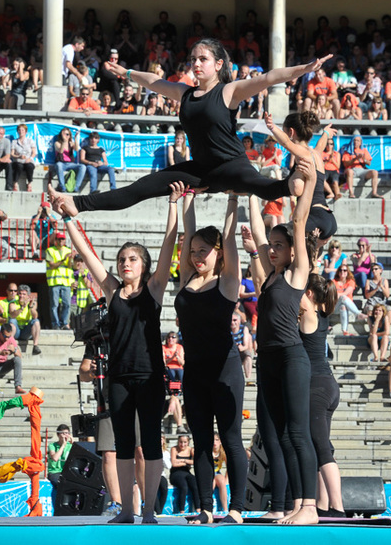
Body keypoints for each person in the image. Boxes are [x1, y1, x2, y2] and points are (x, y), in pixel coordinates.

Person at [48, 39, 325, 217]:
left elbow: (269, 77)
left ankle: (290, 184)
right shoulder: (186, 93)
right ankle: (77, 204)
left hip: (231, 165)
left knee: (259, 185)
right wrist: (126, 73)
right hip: (200, 170)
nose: (196, 63)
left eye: (203, 59)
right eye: (194, 59)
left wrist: (304, 68)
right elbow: (154, 82)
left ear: (218, 64)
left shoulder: (230, 91)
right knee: (140, 188)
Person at [59, 180, 178, 525]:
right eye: (122, 259)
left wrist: (173, 204)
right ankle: (128, 509)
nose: (126, 264)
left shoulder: (153, 290)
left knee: (151, 445)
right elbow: (87, 255)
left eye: (132, 259)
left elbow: (169, 244)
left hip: (150, 376)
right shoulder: (112, 291)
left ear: (143, 265)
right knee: (124, 446)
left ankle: (150, 511)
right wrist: (68, 218)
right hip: (119, 377)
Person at [242, 159, 318, 525]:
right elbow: (257, 234)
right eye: (270, 246)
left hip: (291, 357)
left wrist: (311, 179)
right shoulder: (269, 279)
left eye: (278, 246)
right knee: (283, 436)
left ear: (291, 250)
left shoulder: (295, 274)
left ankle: (310, 507)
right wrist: (252, 194)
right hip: (267, 359)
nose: (271, 250)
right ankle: (292, 503)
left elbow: (299, 223)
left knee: (298, 433)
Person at [173, 190, 247, 524]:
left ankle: (237, 508)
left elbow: (229, 237)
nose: (197, 256)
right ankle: (204, 507)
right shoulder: (187, 278)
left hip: (225, 371)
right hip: (194, 373)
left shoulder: (228, 281)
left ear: (217, 253)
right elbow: (188, 232)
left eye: (204, 251)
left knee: (230, 440)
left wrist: (233, 202)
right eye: (193, 252)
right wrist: (185, 196)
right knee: (201, 441)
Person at [263, 112, 337, 241]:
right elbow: (320, 145)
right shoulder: (315, 154)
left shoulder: (302, 152)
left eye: (285, 132)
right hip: (327, 217)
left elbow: (286, 143)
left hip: (314, 216)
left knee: (278, 234)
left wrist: (272, 127)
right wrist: (325, 133)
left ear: (291, 132)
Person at [45, 231, 73, 329]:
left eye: (62, 239)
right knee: (54, 305)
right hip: (54, 282)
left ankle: (64, 323)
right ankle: (55, 324)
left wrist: (70, 259)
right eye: (59, 239)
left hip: (65, 283)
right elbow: (52, 265)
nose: (61, 241)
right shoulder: (50, 250)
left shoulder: (68, 250)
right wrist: (63, 260)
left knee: (67, 304)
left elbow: (70, 266)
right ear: (56, 240)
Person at [169, 435, 200, 515]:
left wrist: (182, 461)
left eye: (185, 442)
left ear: (188, 442)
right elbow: (174, 464)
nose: (182, 444)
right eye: (180, 442)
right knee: (184, 487)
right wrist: (187, 462)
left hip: (186, 473)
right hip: (175, 473)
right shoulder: (174, 449)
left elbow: (196, 461)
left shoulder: (190, 450)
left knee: (195, 484)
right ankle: (181, 510)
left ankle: (198, 509)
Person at [47, 424, 73, 493]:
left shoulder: (70, 446)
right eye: (63, 433)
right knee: (61, 483)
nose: (65, 435)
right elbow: (55, 458)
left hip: (67, 471)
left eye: (67, 433)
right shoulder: (52, 445)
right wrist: (63, 446)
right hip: (54, 472)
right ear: (58, 435)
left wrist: (74, 444)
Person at [10, 123, 36, 192]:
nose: (21, 131)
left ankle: (29, 183)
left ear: (26, 132)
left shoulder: (30, 141)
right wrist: (18, 156)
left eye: (22, 130)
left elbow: (34, 153)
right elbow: (12, 154)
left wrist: (30, 159)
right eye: (19, 130)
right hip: (18, 160)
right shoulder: (14, 141)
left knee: (29, 166)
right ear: (17, 131)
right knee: (19, 166)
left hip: (28, 160)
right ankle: (15, 183)